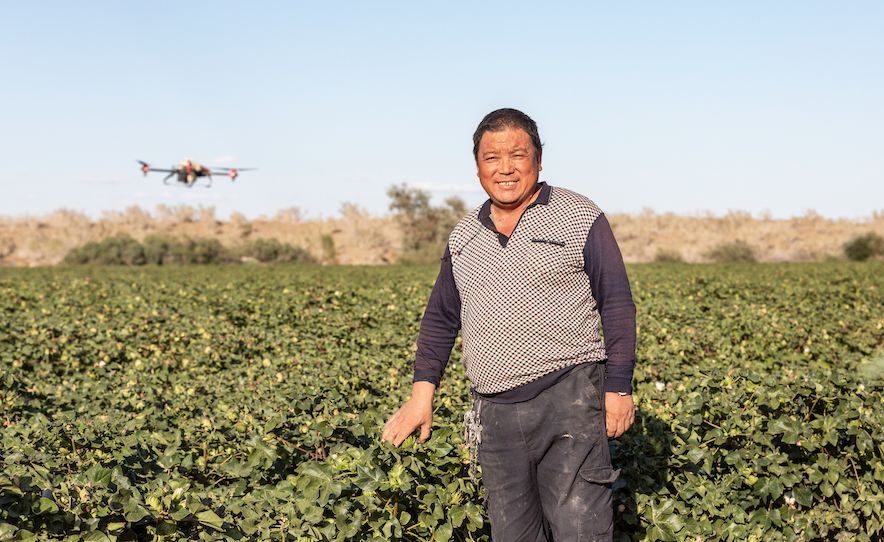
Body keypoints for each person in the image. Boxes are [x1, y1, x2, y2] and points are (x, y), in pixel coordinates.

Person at [382, 108, 636, 541]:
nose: (505, 168)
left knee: (581, 529)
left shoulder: (579, 215)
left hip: (569, 397)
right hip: (495, 413)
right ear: (477, 167)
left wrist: (619, 388)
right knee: (513, 534)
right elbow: (441, 318)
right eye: (492, 157)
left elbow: (616, 302)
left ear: (539, 159)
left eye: (517, 155)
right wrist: (421, 396)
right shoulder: (464, 235)